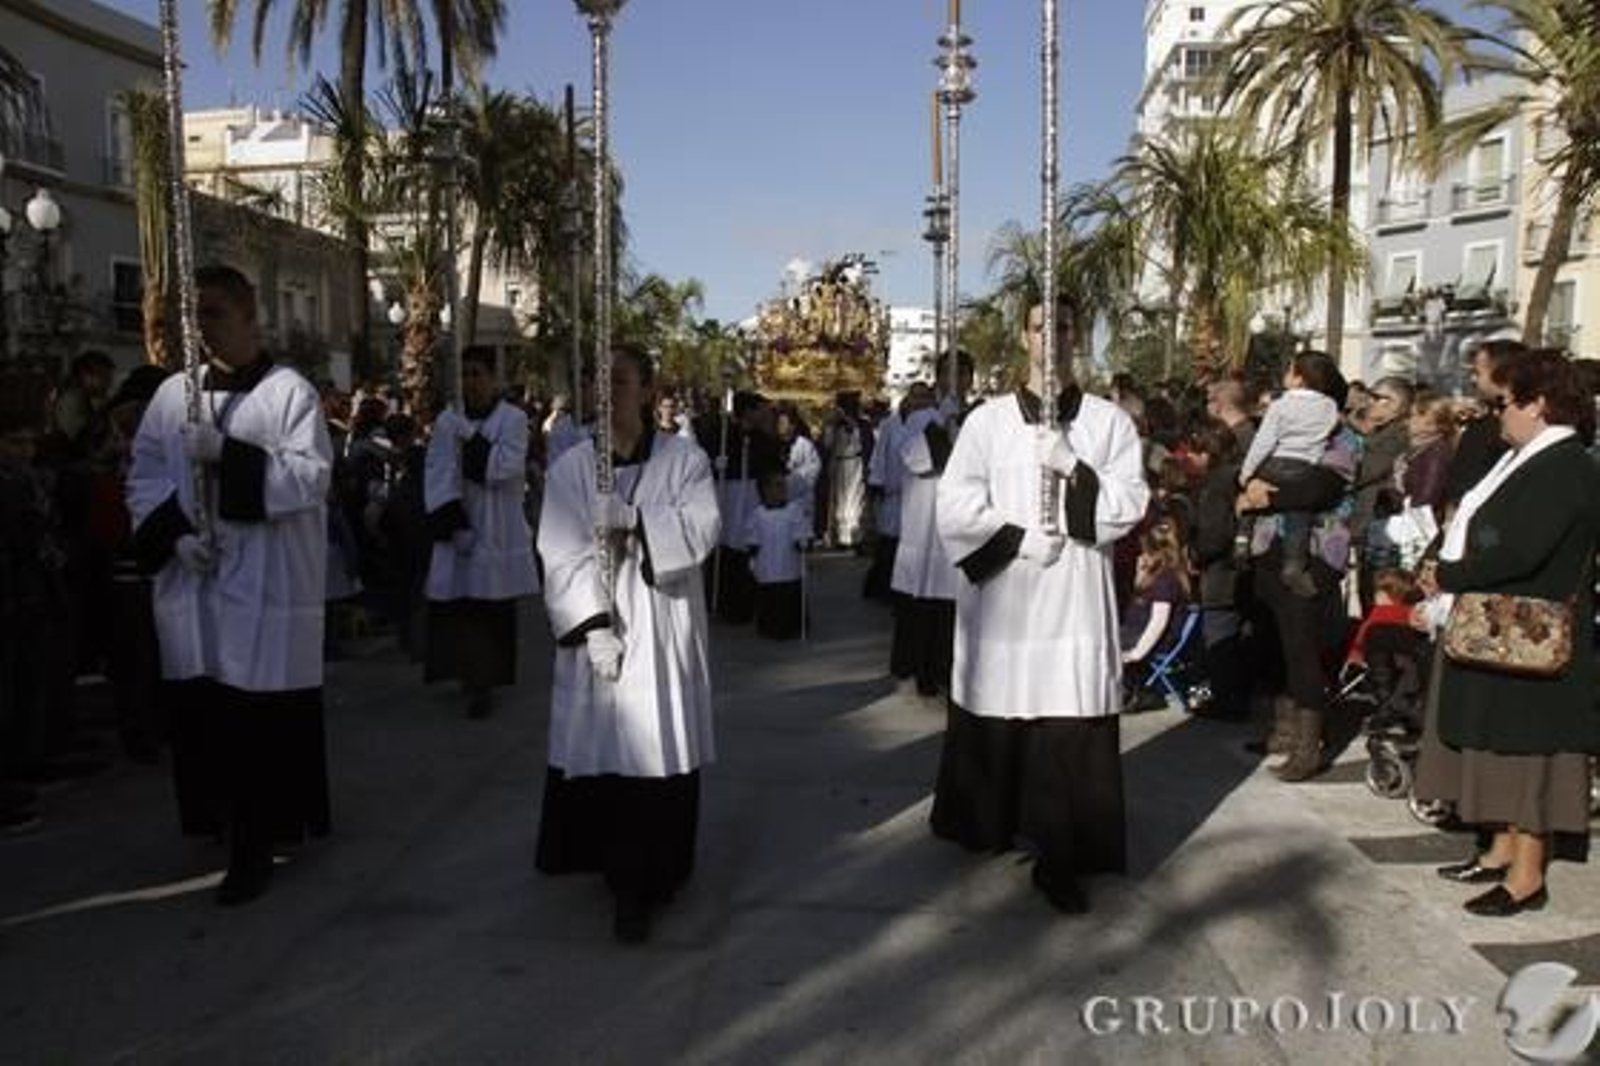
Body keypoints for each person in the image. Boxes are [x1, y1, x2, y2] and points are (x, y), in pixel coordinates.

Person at [930, 298, 1150, 914]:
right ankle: (987, 822)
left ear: (1076, 336)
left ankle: (1062, 855)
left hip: (1074, 591)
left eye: (1060, 325)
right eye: (1036, 327)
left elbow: (1129, 505)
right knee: (1001, 706)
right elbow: (955, 502)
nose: (1048, 337)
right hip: (1007, 588)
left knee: (1066, 714)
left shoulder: (1109, 423)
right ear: (1022, 338)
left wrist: (1072, 466)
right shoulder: (987, 422)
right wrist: (1018, 539)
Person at [125, 264, 333, 906]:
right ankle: (221, 822)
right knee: (208, 714)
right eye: (195, 314)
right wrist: (177, 537)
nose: (202, 326)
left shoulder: (288, 394)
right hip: (197, 582)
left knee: (256, 717)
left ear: (250, 315)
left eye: (215, 311)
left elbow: (309, 478)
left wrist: (228, 456)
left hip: (266, 585)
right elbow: (143, 477)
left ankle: (257, 847)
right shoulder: (171, 397)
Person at [535, 345, 721, 943]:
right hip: (606, 634)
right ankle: (623, 884)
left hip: (662, 626)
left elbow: (702, 530)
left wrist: (635, 520)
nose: (607, 392)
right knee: (611, 752)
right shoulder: (570, 470)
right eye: (598, 381)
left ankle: (661, 868)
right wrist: (591, 629)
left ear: (647, 390)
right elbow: (558, 552)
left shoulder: (684, 461)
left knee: (657, 748)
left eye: (620, 380)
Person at [1414, 350, 1600, 917]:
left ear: (1538, 404)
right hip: (1510, 631)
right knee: (1508, 750)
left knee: (1529, 758)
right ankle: (1505, 855)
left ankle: (1526, 876)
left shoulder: (1564, 466)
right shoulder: (1537, 459)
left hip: (1533, 636)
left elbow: (1521, 547)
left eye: (1507, 403)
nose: (1500, 415)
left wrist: (1449, 572)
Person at [1236, 352, 1360, 782]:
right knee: (1274, 641)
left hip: (1313, 555)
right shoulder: (1286, 421)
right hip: (1270, 546)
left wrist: (1263, 496)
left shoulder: (1343, 439)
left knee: (1302, 646)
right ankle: (1283, 730)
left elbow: (1317, 488)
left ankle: (1310, 746)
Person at [422, 346, 540, 719]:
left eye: (477, 374)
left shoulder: (513, 419)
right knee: (462, 605)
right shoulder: (448, 420)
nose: (471, 382)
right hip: (461, 518)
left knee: (491, 605)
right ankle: (465, 674)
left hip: (496, 521)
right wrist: (452, 516)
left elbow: (503, 468)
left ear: (492, 377)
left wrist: (470, 440)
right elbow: (438, 470)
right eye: (465, 374)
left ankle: (486, 682)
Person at [1236, 354, 1345, 597]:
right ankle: (1294, 563)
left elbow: (1263, 442)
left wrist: (1247, 472)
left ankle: (1242, 542)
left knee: (1254, 497)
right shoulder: (1329, 406)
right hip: (1305, 468)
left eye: (1289, 370)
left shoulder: (1280, 405)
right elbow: (1330, 430)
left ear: (1298, 378)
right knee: (1299, 514)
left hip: (1276, 463)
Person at [890, 388, 961, 697]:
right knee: (920, 600)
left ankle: (945, 669)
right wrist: (941, 423)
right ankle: (917, 669)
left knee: (949, 603)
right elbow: (914, 457)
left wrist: (956, 423)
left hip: (952, 520)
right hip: (922, 524)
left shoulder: (969, 415)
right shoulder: (919, 420)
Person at [1441, 339, 1524, 509]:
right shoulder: (1482, 420)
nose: (1472, 379)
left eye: (1478, 373)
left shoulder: (1512, 427)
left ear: (1503, 375)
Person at [1119, 517, 1192, 708]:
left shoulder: (1165, 579)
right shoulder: (1157, 573)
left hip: (1149, 639)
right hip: (1134, 632)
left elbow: (1158, 623)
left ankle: (1129, 692)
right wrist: (1140, 573)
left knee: (1102, 644)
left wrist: (1136, 654)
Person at [743, 468, 809, 640]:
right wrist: (752, 552)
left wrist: (802, 541)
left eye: (784, 486)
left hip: (789, 566)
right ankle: (769, 626)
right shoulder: (758, 514)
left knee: (789, 596)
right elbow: (752, 536)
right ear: (766, 490)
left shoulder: (793, 510)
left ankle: (792, 626)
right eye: (778, 486)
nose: (783, 490)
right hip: (767, 566)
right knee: (769, 598)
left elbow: (802, 530)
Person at [820, 391, 869, 549]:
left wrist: (848, 421)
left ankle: (856, 536)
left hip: (856, 464)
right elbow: (827, 445)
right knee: (840, 501)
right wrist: (829, 425)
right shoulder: (835, 425)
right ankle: (841, 537)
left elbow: (863, 440)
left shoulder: (862, 424)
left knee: (854, 500)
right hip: (839, 464)